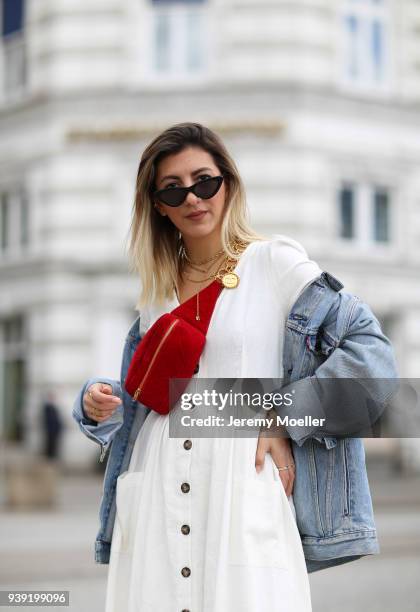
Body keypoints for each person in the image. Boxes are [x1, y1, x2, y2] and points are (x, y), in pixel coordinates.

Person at [72, 122, 398, 611]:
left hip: (242, 482)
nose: (192, 198)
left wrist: (285, 416)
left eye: (205, 181)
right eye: (173, 189)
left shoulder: (274, 263)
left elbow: (373, 357)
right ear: (157, 204)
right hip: (154, 485)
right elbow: (149, 402)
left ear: (228, 183)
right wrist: (96, 404)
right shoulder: (155, 294)